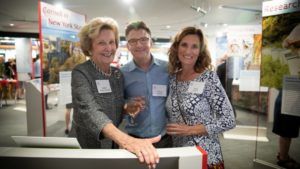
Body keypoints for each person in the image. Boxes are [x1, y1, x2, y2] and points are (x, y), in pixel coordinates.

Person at [71, 17, 160, 169]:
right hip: (89, 147)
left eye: (111, 42)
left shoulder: (117, 74)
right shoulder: (81, 72)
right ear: (90, 47)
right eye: (101, 43)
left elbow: (118, 109)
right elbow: (89, 110)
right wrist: (126, 140)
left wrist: (127, 108)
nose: (108, 48)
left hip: (113, 146)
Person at [166, 26, 236, 168]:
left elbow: (229, 120)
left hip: (205, 154)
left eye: (194, 47)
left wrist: (191, 129)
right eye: (184, 45)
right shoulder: (172, 79)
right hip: (180, 153)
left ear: (200, 51)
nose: (188, 51)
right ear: (176, 47)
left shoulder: (208, 78)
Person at [121, 21, 172, 148]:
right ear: (128, 46)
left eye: (143, 39)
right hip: (135, 140)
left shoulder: (168, 69)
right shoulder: (121, 74)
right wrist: (126, 106)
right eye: (133, 41)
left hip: (164, 139)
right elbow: (116, 107)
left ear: (151, 42)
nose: (139, 45)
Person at [272, 24, 300, 169]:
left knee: (287, 128)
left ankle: (283, 156)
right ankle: (283, 157)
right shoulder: (290, 56)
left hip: (290, 90)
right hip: (291, 91)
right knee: (287, 128)